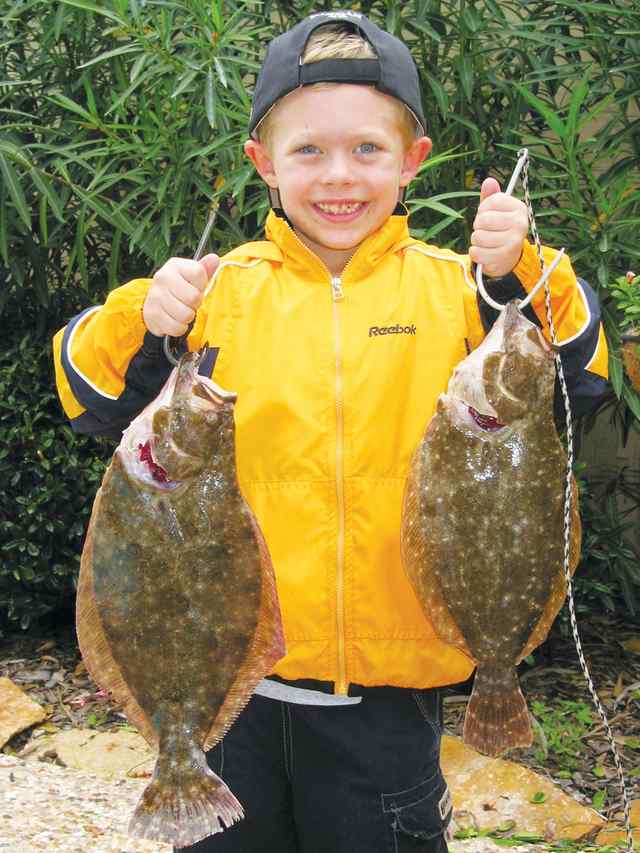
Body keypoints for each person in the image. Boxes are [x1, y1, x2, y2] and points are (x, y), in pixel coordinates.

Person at [53, 11, 608, 853]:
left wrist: (523, 268)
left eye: (366, 150)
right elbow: (86, 394)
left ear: (412, 162)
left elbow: (581, 377)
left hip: (386, 702)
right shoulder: (218, 292)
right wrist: (145, 313)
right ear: (263, 164)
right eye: (308, 151)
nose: (338, 176)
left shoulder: (463, 293)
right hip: (224, 684)